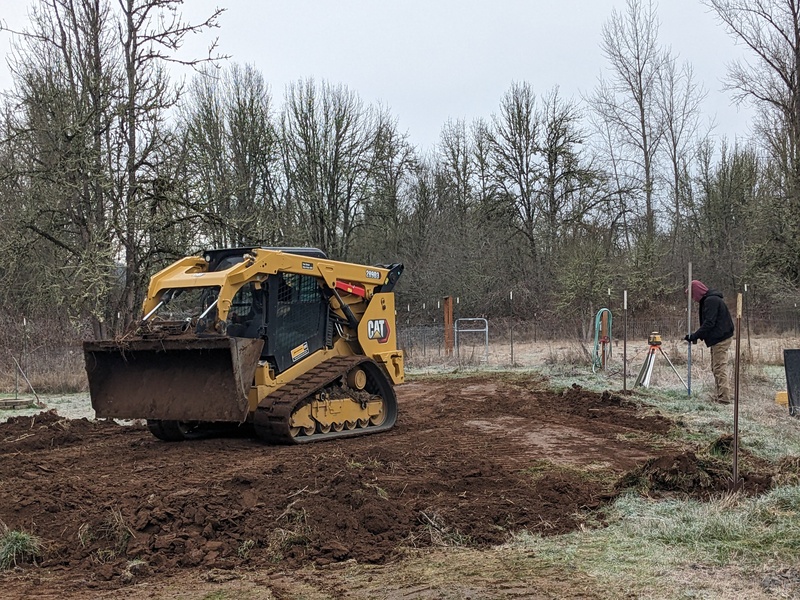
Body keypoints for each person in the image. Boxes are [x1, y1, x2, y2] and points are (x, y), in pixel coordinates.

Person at [684, 280, 735, 404]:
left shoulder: (711, 301)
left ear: (697, 292)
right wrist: (697, 336)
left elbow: (709, 323)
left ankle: (724, 398)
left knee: (719, 368)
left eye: (692, 295)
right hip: (718, 337)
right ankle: (721, 394)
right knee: (716, 367)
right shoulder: (710, 300)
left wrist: (695, 335)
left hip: (720, 338)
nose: (693, 299)